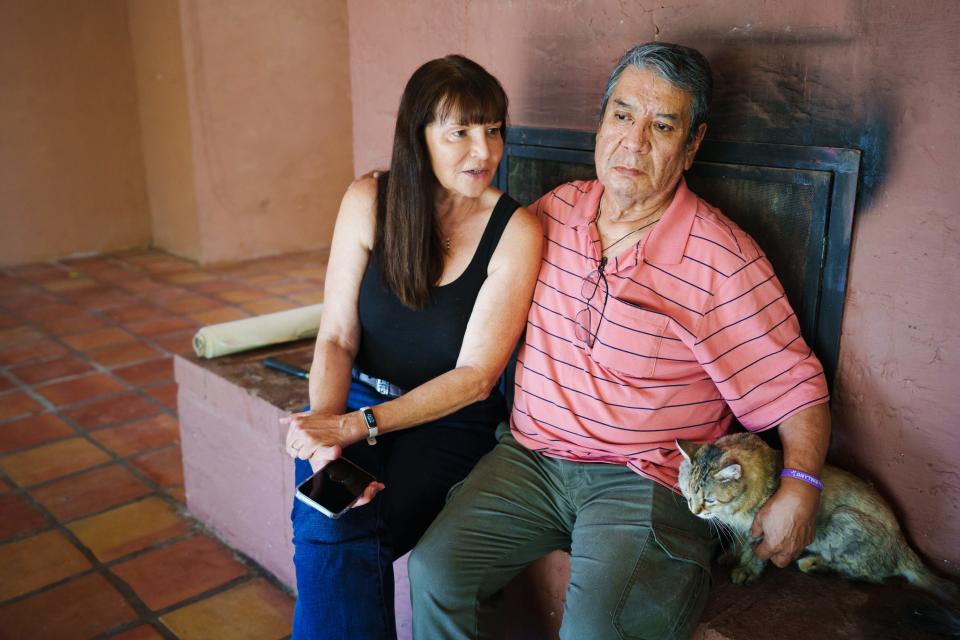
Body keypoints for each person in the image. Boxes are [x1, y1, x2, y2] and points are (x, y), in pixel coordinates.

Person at [409, 42, 831, 640]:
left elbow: (795, 387)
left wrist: (802, 486)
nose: (634, 142)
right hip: (531, 459)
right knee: (434, 569)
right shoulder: (552, 214)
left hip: (644, 479)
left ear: (692, 145)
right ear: (601, 122)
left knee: (599, 631)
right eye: (622, 115)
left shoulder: (723, 260)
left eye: (662, 125)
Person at [281, 55, 541, 640]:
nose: (485, 152)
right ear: (416, 136)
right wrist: (325, 429)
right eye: (461, 133)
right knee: (331, 523)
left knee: (343, 532)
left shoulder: (515, 230)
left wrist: (355, 427)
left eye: (494, 129)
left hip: (449, 422)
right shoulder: (369, 199)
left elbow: (476, 376)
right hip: (350, 400)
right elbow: (337, 336)